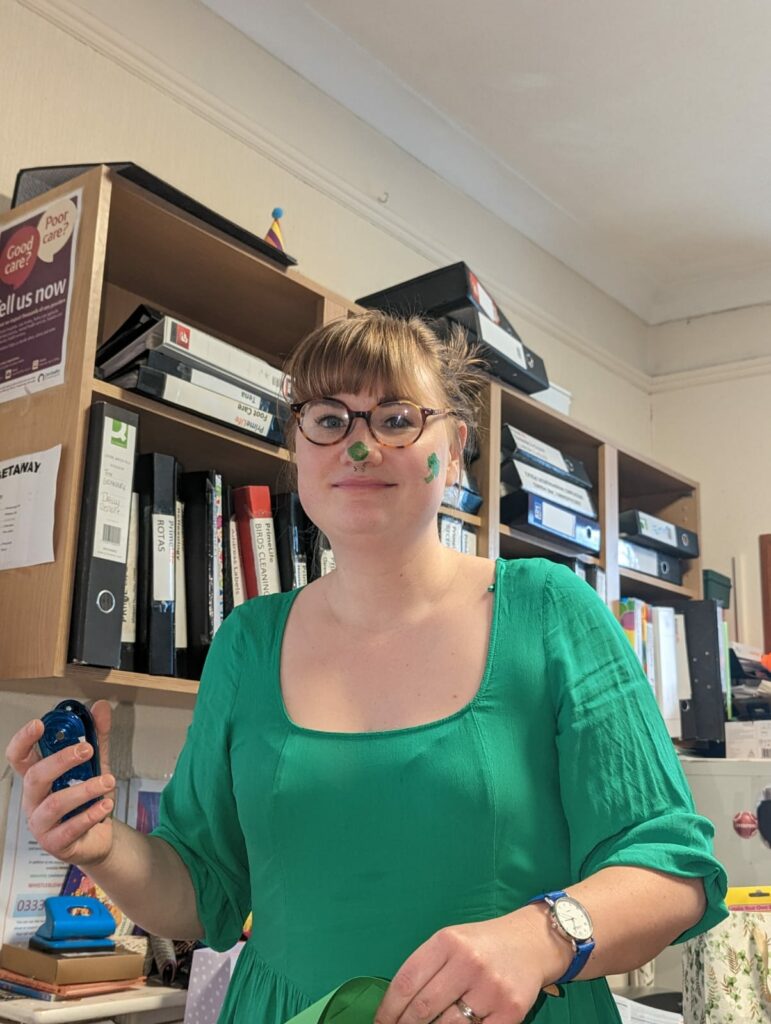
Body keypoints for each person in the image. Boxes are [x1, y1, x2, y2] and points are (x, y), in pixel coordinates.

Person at [7, 311, 726, 1024]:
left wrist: (542, 937)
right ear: (297, 446)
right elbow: (203, 892)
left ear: (455, 446)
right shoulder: (247, 642)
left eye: (395, 419)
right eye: (328, 419)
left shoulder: (550, 611)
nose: (359, 447)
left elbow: (673, 870)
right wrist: (101, 846)